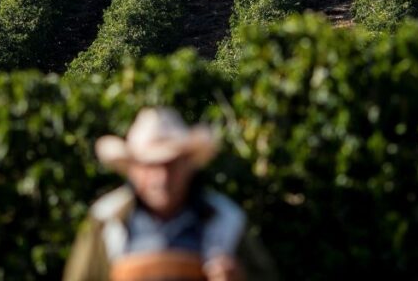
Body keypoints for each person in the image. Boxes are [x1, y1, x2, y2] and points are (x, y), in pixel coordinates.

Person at [63, 106, 277, 281]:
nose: (161, 179)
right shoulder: (106, 220)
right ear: (133, 169)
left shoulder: (226, 219)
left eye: (170, 165)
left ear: (187, 165)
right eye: (150, 166)